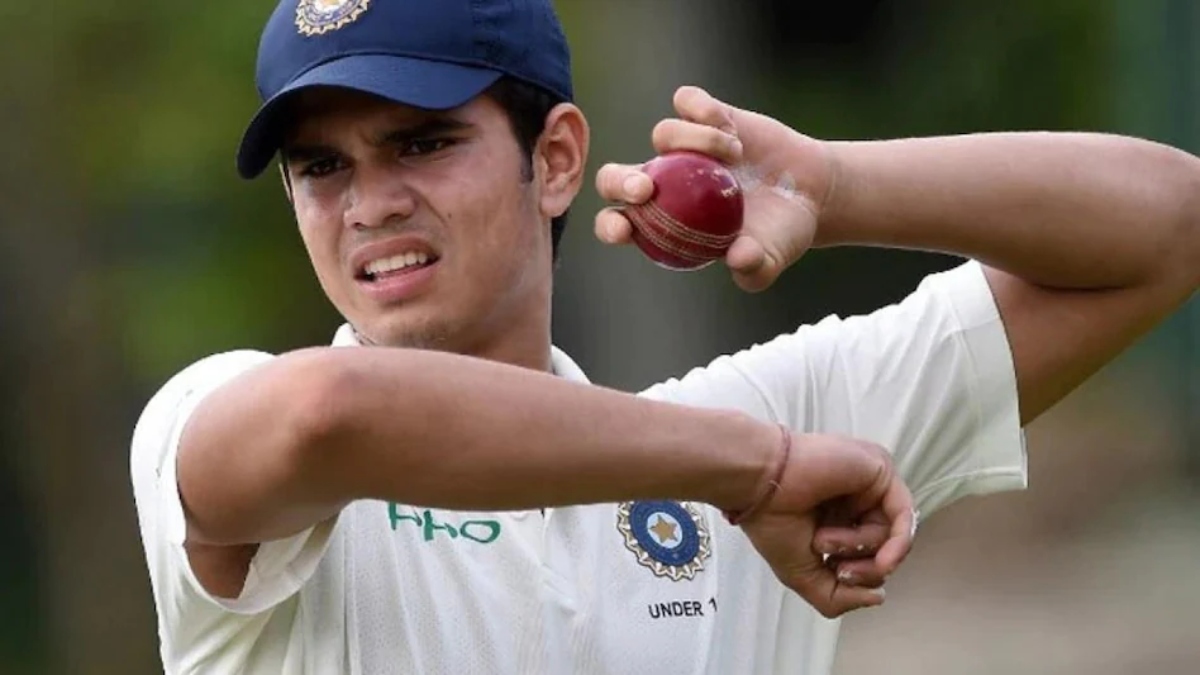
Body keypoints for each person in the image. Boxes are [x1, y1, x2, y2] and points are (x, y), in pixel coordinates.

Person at [129, 0, 1200, 673]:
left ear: (555, 159)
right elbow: (333, 414)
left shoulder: (746, 428)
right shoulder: (214, 416)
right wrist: (752, 469)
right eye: (322, 166)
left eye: (420, 142)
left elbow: (1169, 223)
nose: (368, 203)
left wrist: (835, 187)